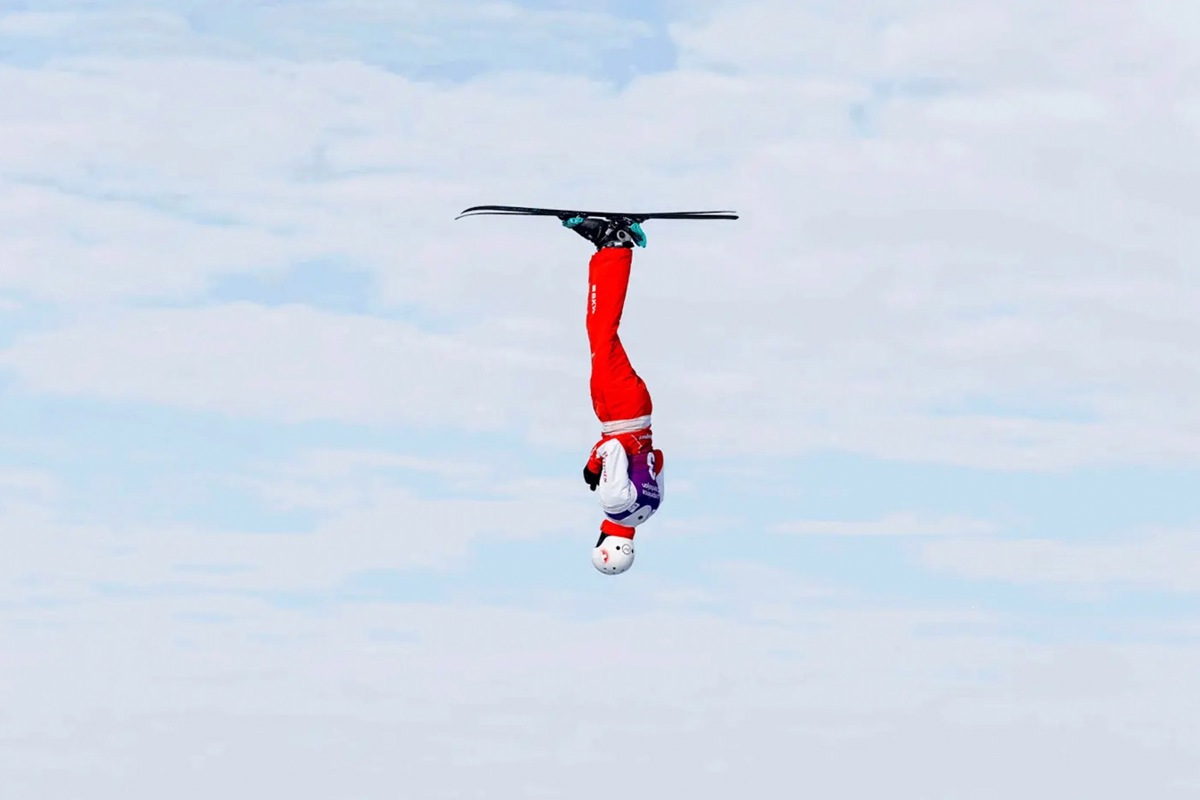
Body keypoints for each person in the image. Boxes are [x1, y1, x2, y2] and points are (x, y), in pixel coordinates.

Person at [563, 215, 666, 575]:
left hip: (637, 412)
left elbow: (659, 457)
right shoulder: (613, 504)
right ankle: (615, 243)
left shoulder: (649, 509)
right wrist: (593, 468)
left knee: (602, 332)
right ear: (604, 543)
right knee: (601, 329)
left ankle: (611, 247)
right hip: (618, 410)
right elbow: (611, 450)